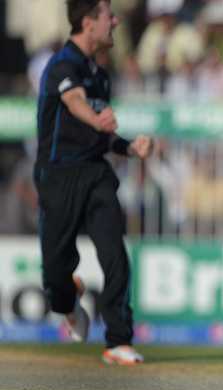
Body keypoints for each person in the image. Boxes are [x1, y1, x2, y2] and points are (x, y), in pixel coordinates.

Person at [34, 0, 153, 365]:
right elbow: (74, 102)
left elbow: (100, 135)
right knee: (55, 275)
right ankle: (68, 297)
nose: (115, 21)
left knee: (114, 253)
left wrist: (128, 147)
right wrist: (96, 119)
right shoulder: (62, 65)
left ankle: (119, 340)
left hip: (95, 173)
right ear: (88, 23)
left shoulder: (101, 74)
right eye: (108, 16)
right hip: (58, 175)